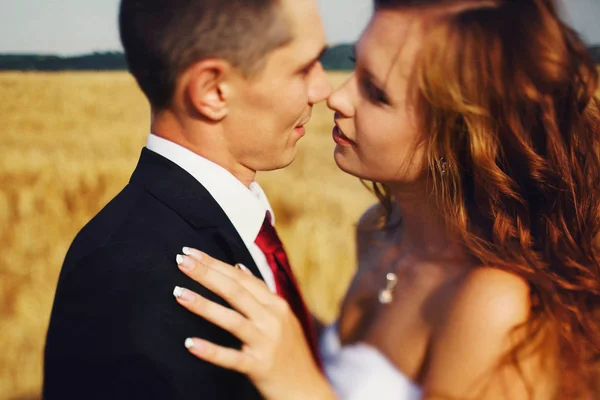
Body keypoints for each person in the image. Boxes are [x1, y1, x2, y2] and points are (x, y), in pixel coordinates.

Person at [171, 0, 600, 399]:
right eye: (357, 68)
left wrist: (299, 385)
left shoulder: (493, 302)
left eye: (377, 93)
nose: (336, 97)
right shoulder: (380, 229)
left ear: (460, 135)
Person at [42, 0, 331, 398]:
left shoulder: (229, 227)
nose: (324, 88)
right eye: (303, 68)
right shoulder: (126, 280)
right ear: (213, 91)